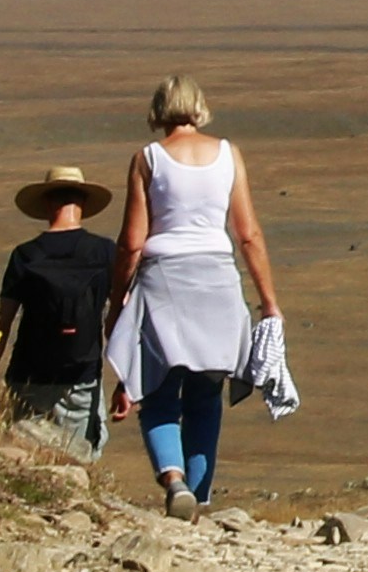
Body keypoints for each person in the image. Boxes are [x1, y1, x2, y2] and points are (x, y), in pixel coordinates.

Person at [100, 77, 284, 512]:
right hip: (218, 281)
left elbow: (131, 242)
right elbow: (249, 235)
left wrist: (117, 302)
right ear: (200, 107)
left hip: (164, 279)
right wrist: (269, 302)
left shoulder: (148, 159)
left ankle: (175, 481)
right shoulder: (228, 155)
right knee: (205, 395)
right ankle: (199, 500)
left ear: (158, 110)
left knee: (159, 389)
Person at [0, 164, 117, 461]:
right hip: (81, 379)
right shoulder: (105, 252)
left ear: (46, 204)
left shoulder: (25, 255)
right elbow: (122, 318)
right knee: (79, 462)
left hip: (27, 377)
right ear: (82, 204)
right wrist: (129, 381)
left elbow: (0, 323)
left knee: (26, 459)